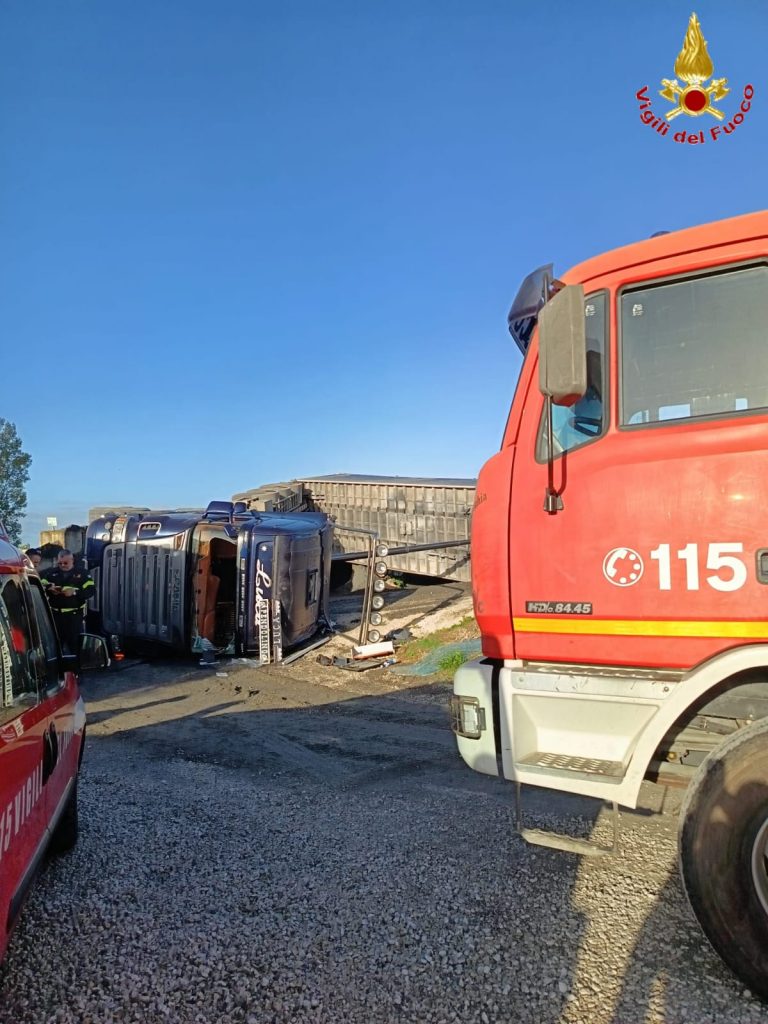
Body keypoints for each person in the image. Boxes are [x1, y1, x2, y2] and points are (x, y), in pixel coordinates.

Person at [41, 550, 95, 657]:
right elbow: (41, 585)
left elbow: (90, 591)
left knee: (74, 646)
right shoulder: (51, 573)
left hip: (74, 616)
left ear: (72, 560)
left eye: (65, 563)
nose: (62, 565)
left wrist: (74, 592)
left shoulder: (83, 573)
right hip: (55, 615)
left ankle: (75, 669)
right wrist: (49, 588)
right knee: (55, 646)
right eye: (60, 563)